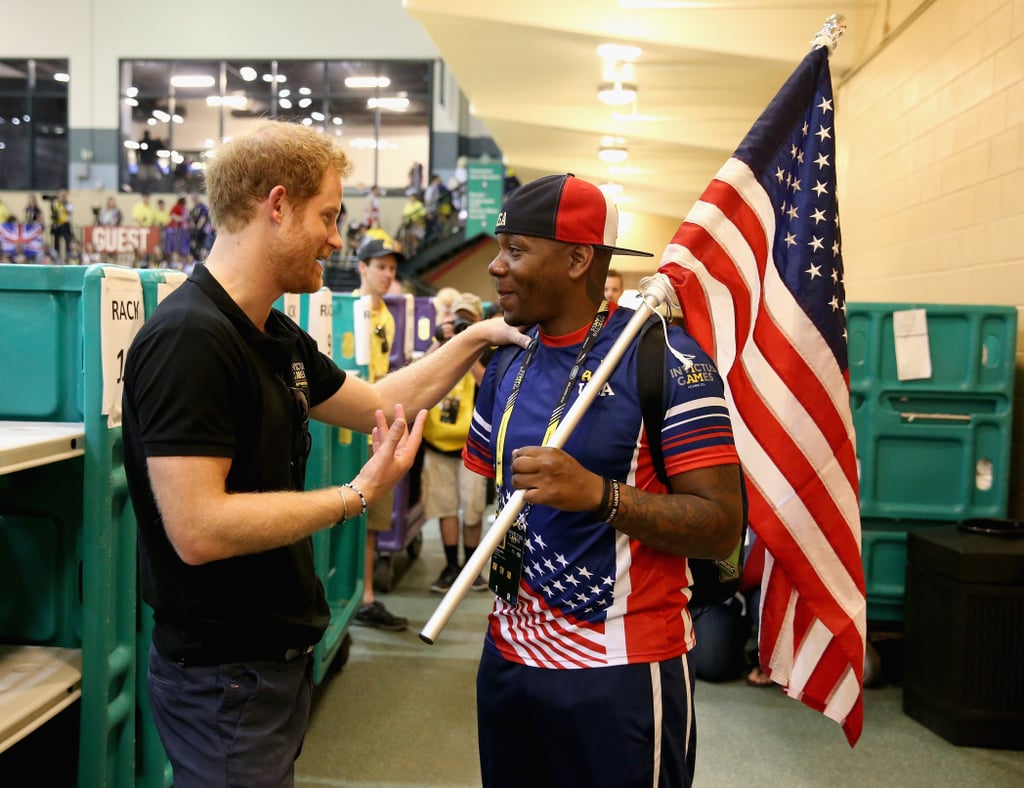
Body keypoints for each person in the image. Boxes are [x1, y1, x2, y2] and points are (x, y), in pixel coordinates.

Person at [121, 119, 529, 788]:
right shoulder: (191, 340)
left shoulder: (271, 332)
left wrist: (476, 338)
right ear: (275, 205)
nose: (338, 239)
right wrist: (357, 495)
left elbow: (378, 403)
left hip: (266, 664)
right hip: (223, 673)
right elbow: (197, 529)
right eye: (328, 216)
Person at [463, 173, 744, 788]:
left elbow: (723, 526)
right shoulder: (507, 362)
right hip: (508, 658)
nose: (496, 268)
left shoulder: (666, 359)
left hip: (621, 667)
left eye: (516, 250)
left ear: (577, 258)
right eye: (499, 249)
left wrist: (602, 495)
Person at [352, 237, 409, 631]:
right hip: (345, 430)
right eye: (380, 267)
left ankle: (366, 596)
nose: (387, 275)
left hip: (376, 426)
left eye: (392, 268)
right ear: (362, 268)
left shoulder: (387, 317)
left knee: (372, 516)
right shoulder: (343, 310)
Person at [423, 292, 489, 593]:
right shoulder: (442, 347)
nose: (464, 324)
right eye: (459, 318)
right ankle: (451, 566)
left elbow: (487, 384)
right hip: (437, 445)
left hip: (471, 447)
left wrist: (471, 347)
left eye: (470, 320)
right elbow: (421, 375)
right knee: (445, 506)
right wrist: (443, 341)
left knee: (472, 507)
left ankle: (472, 569)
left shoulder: (490, 350)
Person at [49, 189, 74, 261]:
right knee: (56, 242)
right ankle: (57, 257)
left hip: (65, 224)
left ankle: (67, 256)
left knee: (67, 241)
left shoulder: (68, 204)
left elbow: (68, 212)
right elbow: (54, 214)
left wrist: (63, 204)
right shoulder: (57, 205)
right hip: (58, 224)